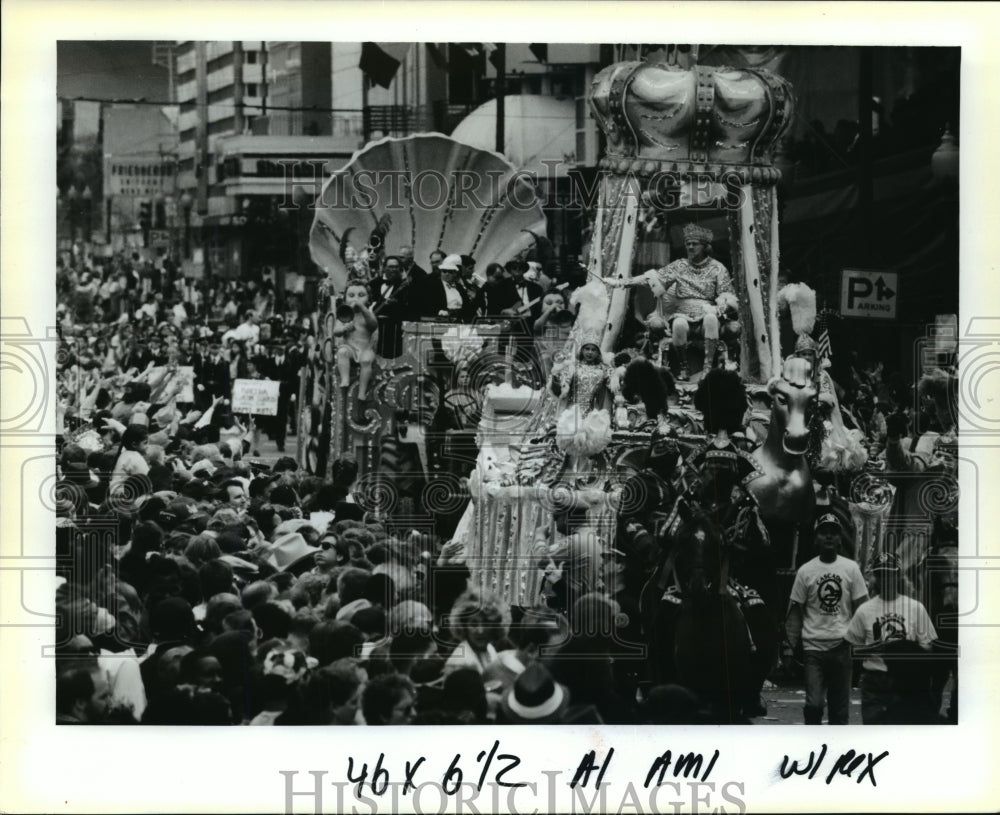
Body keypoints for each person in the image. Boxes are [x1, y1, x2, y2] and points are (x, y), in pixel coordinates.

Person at [605, 223, 739, 380]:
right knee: (679, 324)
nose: (690, 247)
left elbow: (727, 294)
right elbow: (651, 278)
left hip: (706, 315)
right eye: (688, 244)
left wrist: (720, 307)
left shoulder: (718, 268)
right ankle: (684, 368)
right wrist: (621, 283)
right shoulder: (679, 265)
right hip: (682, 314)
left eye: (694, 244)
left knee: (711, 319)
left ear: (704, 246)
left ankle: (707, 368)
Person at [785, 513, 869, 725]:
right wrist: (788, 647)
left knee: (839, 712)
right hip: (813, 649)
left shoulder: (851, 569)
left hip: (843, 648)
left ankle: (836, 750)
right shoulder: (805, 571)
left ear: (840, 539)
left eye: (833, 533)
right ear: (816, 538)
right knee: (814, 706)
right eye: (824, 533)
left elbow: (863, 609)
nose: (829, 537)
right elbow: (795, 612)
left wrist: (865, 644)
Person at [845, 552, 939, 724]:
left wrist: (904, 649)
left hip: (906, 681)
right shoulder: (864, 610)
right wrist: (873, 648)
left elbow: (928, 648)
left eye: (889, 573)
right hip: (874, 680)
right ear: (875, 577)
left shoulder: (915, 608)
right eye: (880, 574)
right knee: (874, 732)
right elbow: (851, 650)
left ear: (898, 575)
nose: (885, 579)